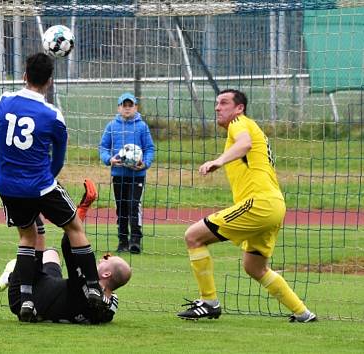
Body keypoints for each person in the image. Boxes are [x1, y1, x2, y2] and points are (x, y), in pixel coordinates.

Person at [0, 53, 106, 322]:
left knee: (27, 238)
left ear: (24, 76)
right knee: (75, 227)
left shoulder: (4, 100)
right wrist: (48, 179)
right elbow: (58, 158)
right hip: (41, 185)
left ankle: (28, 299)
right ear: (50, 82)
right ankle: (91, 286)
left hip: (8, 187)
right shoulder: (53, 115)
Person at [177, 89, 316, 323]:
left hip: (259, 204)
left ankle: (209, 302)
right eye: (216, 103)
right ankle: (303, 313)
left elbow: (245, 144)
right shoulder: (247, 126)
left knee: (193, 237)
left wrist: (218, 161)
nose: (217, 108)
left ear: (239, 108)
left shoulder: (239, 123)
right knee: (255, 267)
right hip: (274, 205)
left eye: (224, 103)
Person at [0, 179, 132, 324]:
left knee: (35, 229)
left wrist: (82, 210)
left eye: (106, 258)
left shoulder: (86, 286)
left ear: (107, 274)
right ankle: (21, 266)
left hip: (22, 297)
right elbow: (106, 306)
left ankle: (12, 272)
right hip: (51, 289)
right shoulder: (107, 305)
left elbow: (68, 242)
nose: (101, 259)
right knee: (52, 253)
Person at [99, 93, 155, 254]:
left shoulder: (142, 126)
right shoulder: (112, 126)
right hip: (118, 175)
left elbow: (149, 148)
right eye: (124, 105)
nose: (127, 108)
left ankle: (135, 240)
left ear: (136, 107)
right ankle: (122, 241)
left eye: (130, 105)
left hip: (137, 175)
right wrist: (109, 160)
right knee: (121, 208)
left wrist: (145, 164)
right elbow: (103, 147)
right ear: (119, 108)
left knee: (133, 205)